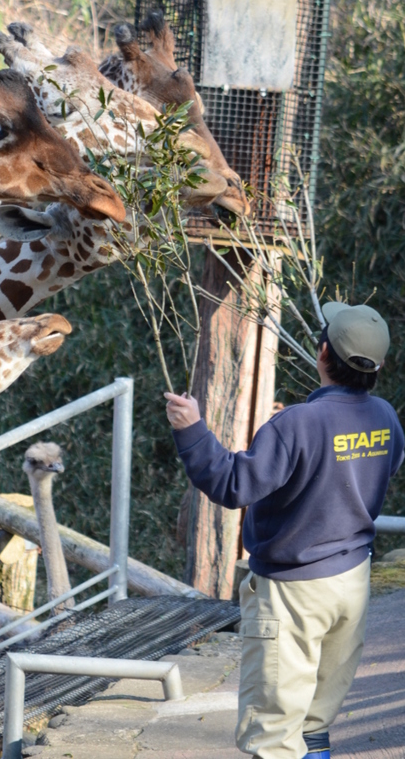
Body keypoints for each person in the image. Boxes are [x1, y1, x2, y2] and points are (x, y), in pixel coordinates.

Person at [166, 302, 404, 759]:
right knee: (315, 720)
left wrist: (193, 431)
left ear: (321, 354)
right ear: (378, 365)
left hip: (292, 591)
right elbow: (383, 467)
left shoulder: (296, 423)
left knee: (272, 733)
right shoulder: (385, 417)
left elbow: (232, 485)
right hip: (351, 582)